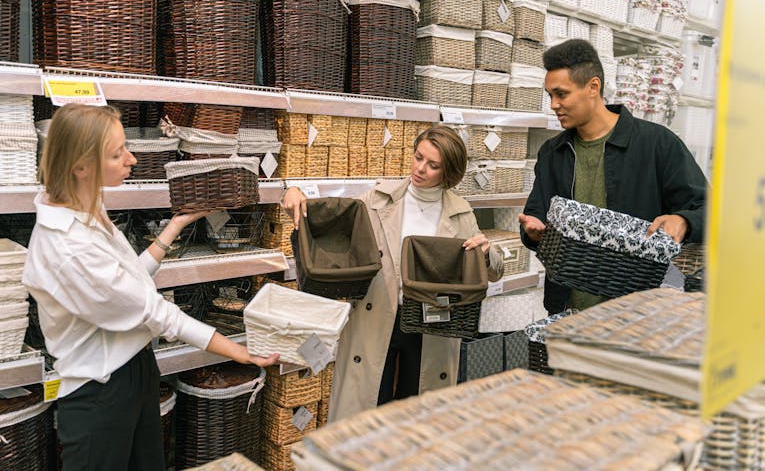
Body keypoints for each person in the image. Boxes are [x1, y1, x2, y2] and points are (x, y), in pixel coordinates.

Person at [22, 103, 279, 471]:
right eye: (117, 154)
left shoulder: (85, 206)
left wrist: (174, 227)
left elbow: (126, 284)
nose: (132, 160)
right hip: (100, 391)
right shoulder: (67, 248)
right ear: (80, 166)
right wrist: (240, 352)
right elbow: (152, 311)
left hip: (134, 366)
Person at [283, 126, 503, 421]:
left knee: (416, 416)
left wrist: (486, 253)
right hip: (377, 317)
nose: (420, 169)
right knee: (368, 412)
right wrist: (295, 193)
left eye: (432, 165)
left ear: (449, 171)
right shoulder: (378, 199)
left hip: (431, 322)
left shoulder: (461, 214)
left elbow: (495, 270)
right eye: (418, 157)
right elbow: (329, 219)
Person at [519, 39, 708, 315]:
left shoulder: (657, 144)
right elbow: (535, 214)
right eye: (550, 95)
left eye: (561, 94)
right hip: (566, 312)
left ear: (593, 87)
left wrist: (683, 221)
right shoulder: (553, 152)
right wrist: (533, 232)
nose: (554, 105)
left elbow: (710, 209)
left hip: (637, 315)